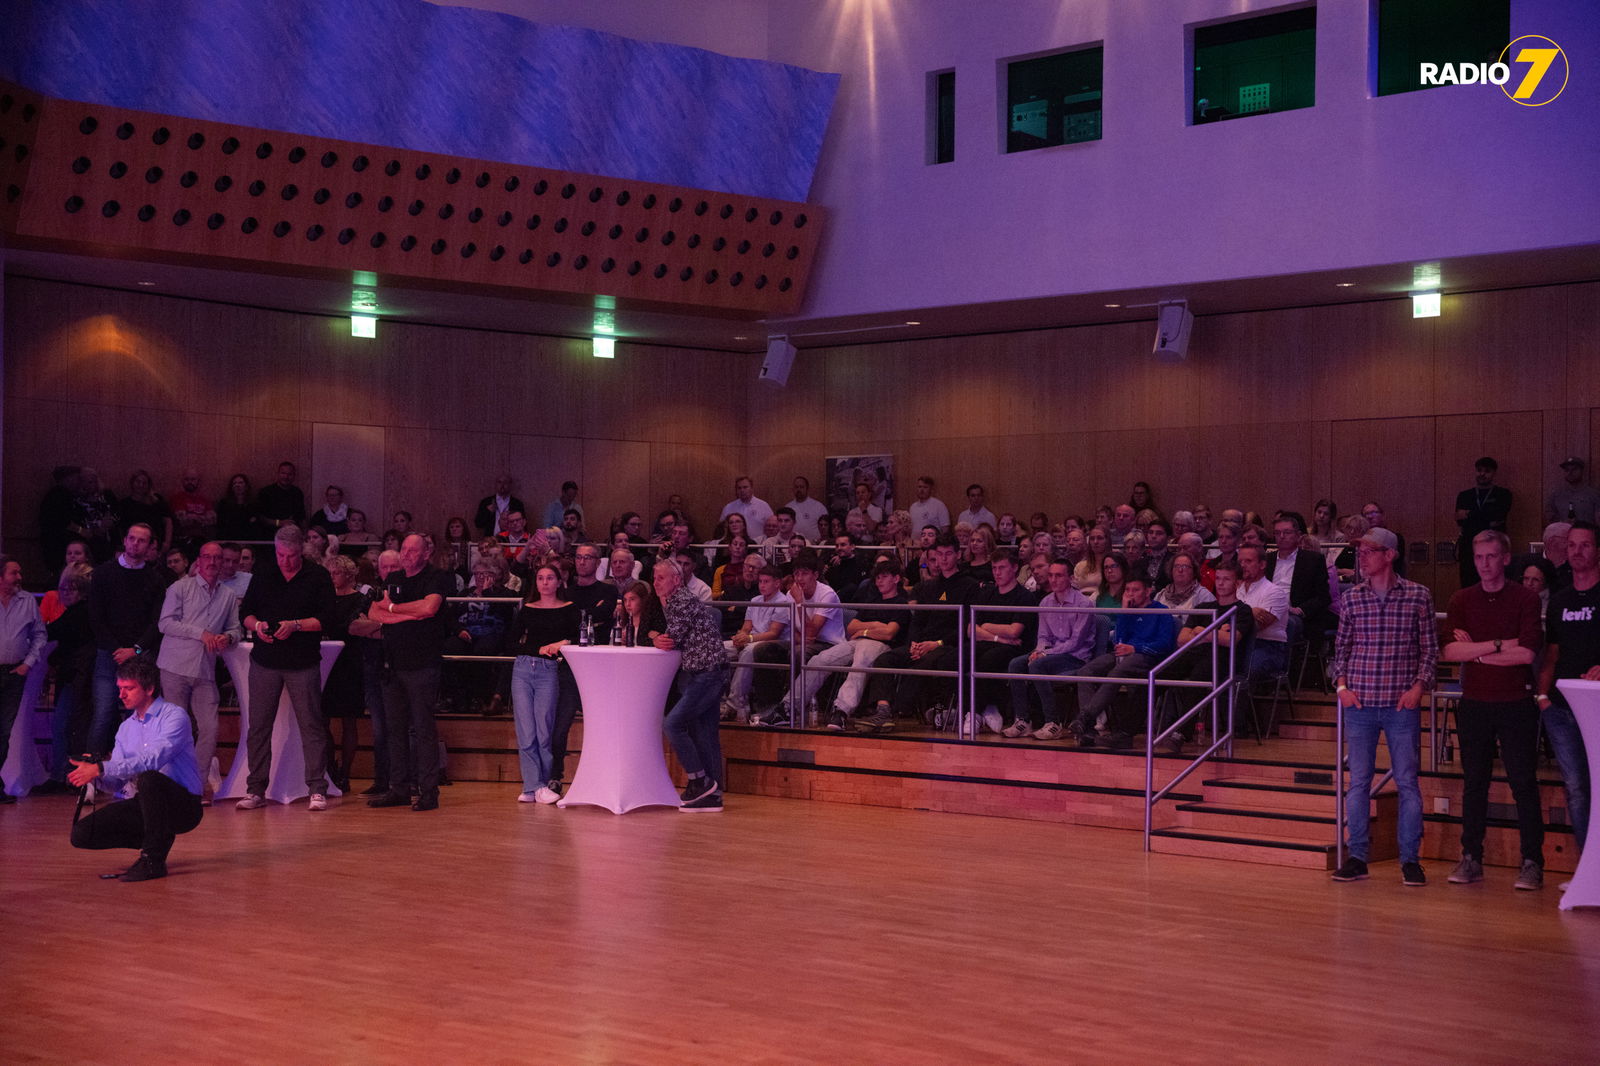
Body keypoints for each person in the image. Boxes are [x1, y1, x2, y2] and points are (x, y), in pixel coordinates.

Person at [1330, 526, 1438, 886]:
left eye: (1369, 551)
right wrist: (1342, 686)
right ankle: (1357, 855)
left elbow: (1429, 650)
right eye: (1360, 552)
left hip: (1400, 704)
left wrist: (1419, 687)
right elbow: (1340, 650)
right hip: (1359, 702)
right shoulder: (1351, 599)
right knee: (1358, 782)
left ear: (1389, 555)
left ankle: (1410, 859)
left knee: (1407, 782)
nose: (1361, 557)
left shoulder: (1418, 596)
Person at [1440, 530, 1545, 891]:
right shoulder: (1462, 599)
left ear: (1505, 558)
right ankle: (1471, 857)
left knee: (1523, 784)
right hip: (1475, 703)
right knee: (1474, 784)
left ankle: (1532, 861)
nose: (1484, 564)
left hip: (1516, 702)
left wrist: (1478, 652)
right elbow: (1450, 653)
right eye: (1478, 557)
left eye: (1491, 557)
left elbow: (1528, 654)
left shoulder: (1525, 598)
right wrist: (1500, 645)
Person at [67, 659, 203, 881]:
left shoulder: (174, 716)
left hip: (184, 805)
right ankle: (158, 836)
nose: (121, 695)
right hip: (149, 805)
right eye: (119, 688)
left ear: (149, 689)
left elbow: (152, 759)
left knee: (150, 779)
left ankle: (153, 860)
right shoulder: (126, 728)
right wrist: (92, 776)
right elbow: (117, 782)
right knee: (82, 834)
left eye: (128, 688)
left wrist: (101, 767)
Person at [237, 526, 337, 812]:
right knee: (258, 727)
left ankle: (317, 788)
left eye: (292, 556)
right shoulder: (265, 573)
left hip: (302, 662)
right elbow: (246, 613)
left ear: (301, 550)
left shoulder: (316, 575)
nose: (286, 561)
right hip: (265, 660)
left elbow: (328, 618)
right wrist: (258, 626)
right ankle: (255, 789)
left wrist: (295, 625)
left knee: (311, 725)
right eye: (281, 555)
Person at [365, 533, 453, 811]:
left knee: (423, 728)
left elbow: (429, 608)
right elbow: (374, 614)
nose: (405, 554)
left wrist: (393, 609)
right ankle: (398, 788)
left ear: (426, 553)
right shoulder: (394, 580)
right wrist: (406, 613)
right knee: (395, 729)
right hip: (393, 664)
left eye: (411, 550)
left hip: (423, 664)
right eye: (402, 549)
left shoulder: (437, 577)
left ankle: (429, 792)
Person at [857, 535, 979, 733]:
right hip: (922, 643)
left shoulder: (970, 585)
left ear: (958, 555)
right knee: (885, 659)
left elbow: (966, 626)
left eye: (948, 554)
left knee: (927, 662)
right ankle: (883, 710)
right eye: (939, 555)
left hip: (948, 644)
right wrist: (914, 643)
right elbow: (918, 620)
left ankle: (897, 711)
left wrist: (936, 643)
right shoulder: (928, 586)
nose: (944, 559)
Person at [155, 542, 241, 805]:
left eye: (219, 558)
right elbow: (165, 623)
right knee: (176, 729)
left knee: (210, 728)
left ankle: (197, 784)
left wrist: (227, 637)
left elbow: (236, 630)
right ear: (199, 560)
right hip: (175, 666)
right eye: (208, 557)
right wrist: (200, 633)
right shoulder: (180, 588)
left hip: (205, 670)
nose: (214, 562)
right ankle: (171, 784)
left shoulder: (227, 595)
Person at [1536, 519, 1599, 865]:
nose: (1577, 551)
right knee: (1576, 788)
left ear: (1597, 550)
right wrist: (1542, 698)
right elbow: (1552, 653)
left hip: (1598, 706)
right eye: (1572, 545)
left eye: (1585, 545)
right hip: (1561, 709)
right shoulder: (1559, 601)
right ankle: (1588, 867)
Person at [652, 560, 730, 812]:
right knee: (706, 734)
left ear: (676, 580)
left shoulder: (682, 600)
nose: (655, 583)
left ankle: (698, 780)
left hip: (707, 673)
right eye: (654, 578)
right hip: (707, 672)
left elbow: (670, 639)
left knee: (672, 724)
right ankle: (712, 794)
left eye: (660, 578)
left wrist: (654, 637)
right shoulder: (677, 601)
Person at [795, 559, 909, 730]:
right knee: (819, 660)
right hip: (857, 641)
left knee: (860, 661)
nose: (879, 581)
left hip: (882, 646)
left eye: (884, 577)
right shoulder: (872, 600)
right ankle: (789, 706)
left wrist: (864, 630)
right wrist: (875, 626)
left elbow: (889, 633)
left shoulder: (901, 603)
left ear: (896, 579)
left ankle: (841, 710)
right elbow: (851, 627)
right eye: (877, 578)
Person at [86, 523, 168, 754]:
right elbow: (95, 617)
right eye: (132, 538)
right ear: (124, 540)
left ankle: (136, 777)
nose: (135, 543)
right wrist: (118, 650)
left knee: (142, 717)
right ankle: (88, 779)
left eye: (142, 540)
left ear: (150, 546)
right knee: (103, 714)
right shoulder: (103, 573)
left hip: (140, 656)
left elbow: (157, 621)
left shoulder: (155, 579)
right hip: (108, 654)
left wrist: (136, 650)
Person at [1072, 574, 1176, 749]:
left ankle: (1086, 716)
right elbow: (1118, 639)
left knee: (1118, 672)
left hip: (1147, 657)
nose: (1130, 594)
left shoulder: (1161, 611)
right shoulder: (1127, 610)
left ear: (1148, 591)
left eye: (1135, 590)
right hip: (1123, 654)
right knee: (1086, 671)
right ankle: (1088, 730)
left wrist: (1135, 649)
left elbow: (1164, 645)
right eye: (1127, 590)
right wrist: (1125, 613)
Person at [505, 563, 579, 804]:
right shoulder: (527, 609)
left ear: (559, 582)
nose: (545, 582)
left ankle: (543, 782)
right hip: (524, 667)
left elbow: (579, 638)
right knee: (525, 731)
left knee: (544, 730)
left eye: (549, 578)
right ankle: (532, 785)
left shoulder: (569, 609)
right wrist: (537, 648)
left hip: (550, 670)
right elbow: (511, 643)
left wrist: (562, 643)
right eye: (540, 578)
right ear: (535, 583)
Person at [0, 555, 47, 804]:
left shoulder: (27, 600)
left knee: (4, 730)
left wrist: (27, 664)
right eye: (14, 573)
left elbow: (39, 635)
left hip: (13, 673)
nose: (19, 577)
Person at [725, 564, 791, 722]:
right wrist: (740, 636)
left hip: (773, 643)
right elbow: (747, 626)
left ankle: (733, 704)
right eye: (760, 581)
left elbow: (774, 633)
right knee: (719, 648)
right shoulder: (755, 600)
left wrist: (749, 639)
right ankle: (715, 700)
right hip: (751, 639)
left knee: (750, 651)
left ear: (777, 583)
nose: (762, 585)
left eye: (766, 581)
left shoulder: (783, 602)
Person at [1455, 457, 1513, 588]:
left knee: (1494, 582)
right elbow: (1459, 520)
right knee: (1468, 585)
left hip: (1494, 546)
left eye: (1487, 471)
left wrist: (1469, 514)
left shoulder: (1503, 494)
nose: (1482, 474)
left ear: (1494, 473)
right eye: (1479, 470)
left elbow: (1498, 516)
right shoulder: (1464, 495)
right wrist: (1486, 519)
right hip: (1469, 548)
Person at [1547, 456, 1600, 524]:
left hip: (1586, 532)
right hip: (1562, 533)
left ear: (1582, 471)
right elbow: (1549, 515)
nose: (1570, 472)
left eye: (1574, 469)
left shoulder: (1594, 495)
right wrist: (1563, 522)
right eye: (1567, 470)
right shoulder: (1556, 495)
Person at [257, 460, 307, 529]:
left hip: (292, 534)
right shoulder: (266, 492)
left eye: (290, 474)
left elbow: (302, 517)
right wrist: (279, 523)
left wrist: (305, 533)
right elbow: (260, 517)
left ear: (294, 476)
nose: (286, 477)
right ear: (278, 474)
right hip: (270, 534)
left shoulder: (297, 492)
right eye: (283, 473)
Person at [787, 476, 830, 542]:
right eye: (796, 487)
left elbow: (826, 528)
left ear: (807, 489)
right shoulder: (788, 507)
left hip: (814, 546)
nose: (798, 489)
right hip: (794, 545)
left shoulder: (818, 507)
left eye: (801, 487)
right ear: (793, 489)